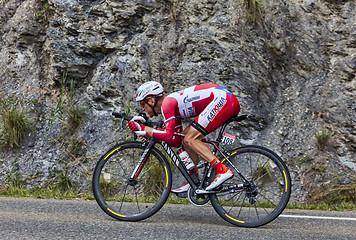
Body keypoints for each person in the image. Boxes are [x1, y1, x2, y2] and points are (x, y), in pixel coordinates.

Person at [127, 81, 240, 193]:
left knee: (190, 139)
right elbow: (175, 141)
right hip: (223, 99)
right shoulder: (170, 107)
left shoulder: (167, 104)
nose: (143, 109)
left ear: (151, 100)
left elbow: (168, 135)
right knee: (185, 138)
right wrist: (149, 133)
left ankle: (222, 170)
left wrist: (144, 129)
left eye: (143, 104)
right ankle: (193, 180)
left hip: (222, 99)